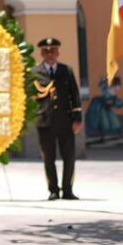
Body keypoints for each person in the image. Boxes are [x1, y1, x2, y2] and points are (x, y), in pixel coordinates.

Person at [33, 37, 81, 200]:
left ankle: (67, 189)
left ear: (58, 52)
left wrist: (77, 118)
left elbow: (74, 95)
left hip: (65, 121)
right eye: (46, 51)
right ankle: (53, 190)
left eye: (53, 51)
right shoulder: (35, 73)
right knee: (49, 157)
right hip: (45, 121)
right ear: (41, 53)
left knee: (69, 156)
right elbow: (31, 97)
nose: (50, 54)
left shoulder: (66, 71)